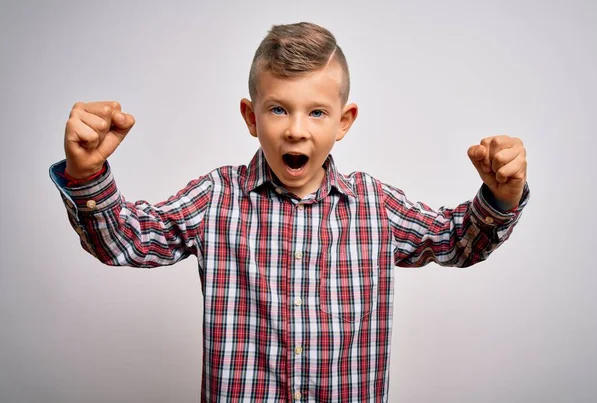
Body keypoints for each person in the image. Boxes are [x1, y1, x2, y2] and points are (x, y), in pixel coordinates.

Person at [49, 21, 529, 403]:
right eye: (279, 109)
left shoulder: (375, 207)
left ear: (344, 122)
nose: (297, 130)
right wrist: (88, 173)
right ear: (251, 117)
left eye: (316, 112)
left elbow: (456, 241)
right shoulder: (217, 198)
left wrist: (501, 198)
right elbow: (126, 241)